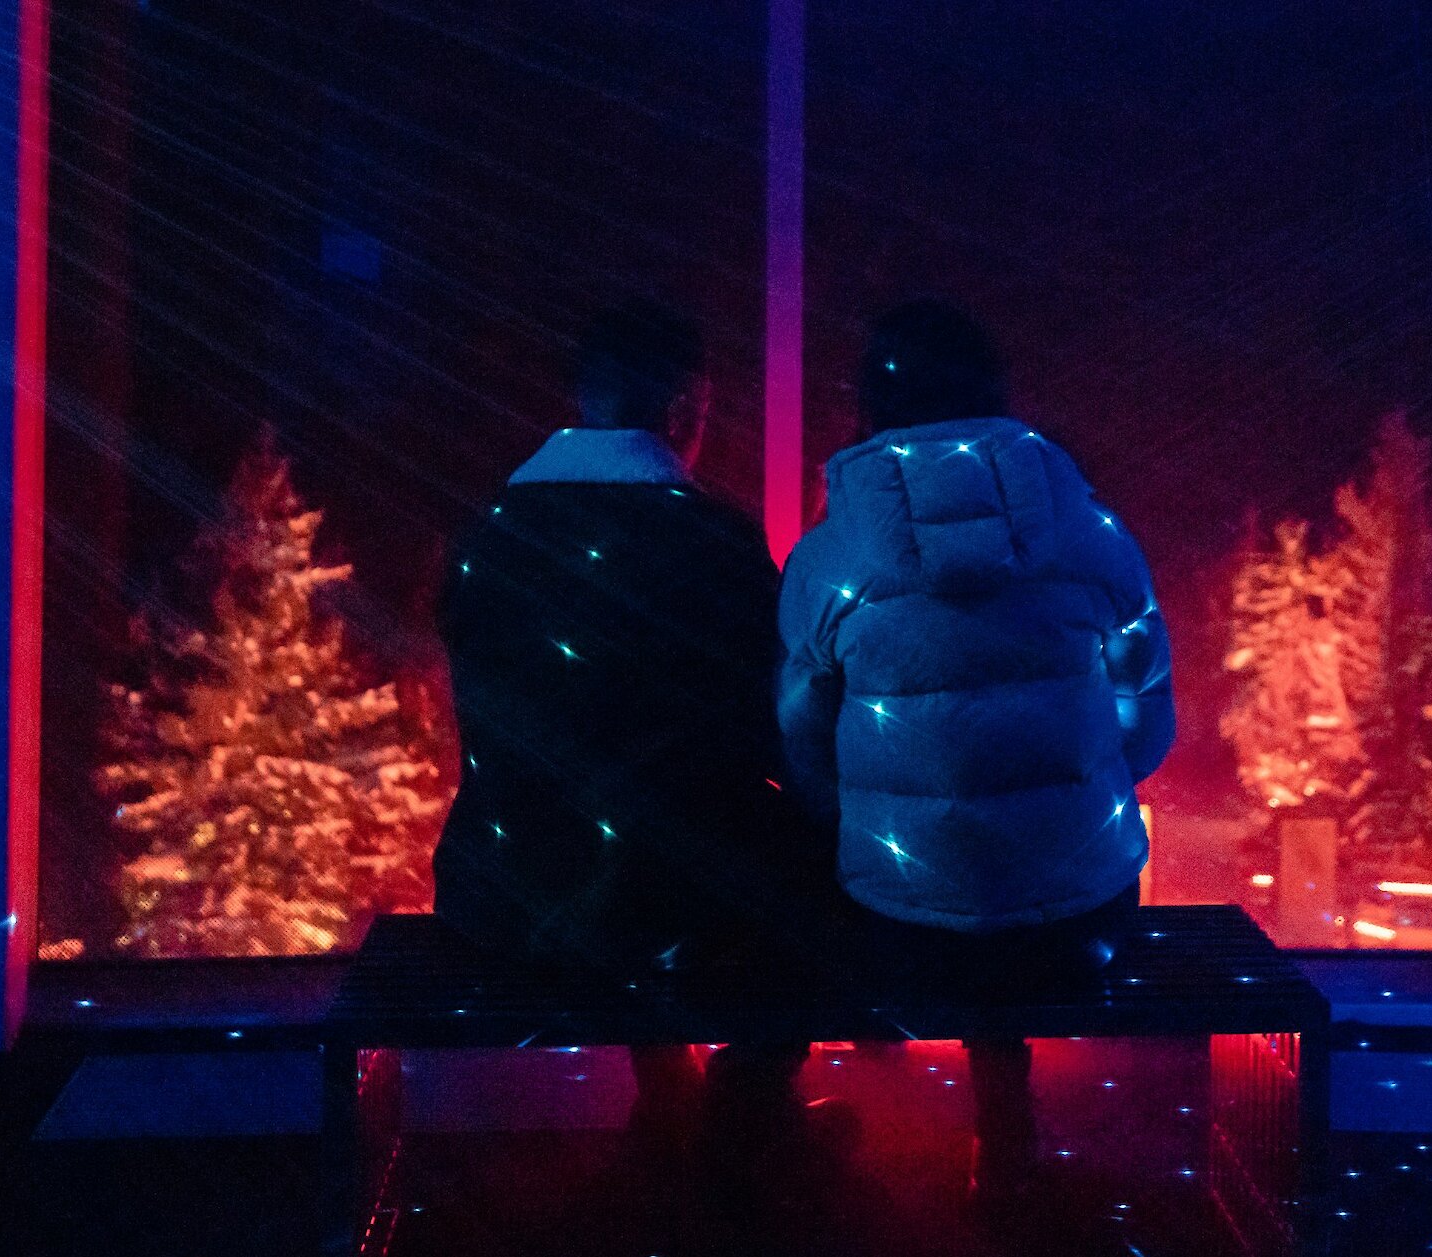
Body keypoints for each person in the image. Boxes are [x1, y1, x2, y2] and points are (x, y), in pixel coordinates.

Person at [776, 299, 1174, 1211]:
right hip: (1080, 932)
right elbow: (1148, 733)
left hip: (902, 938)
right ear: (999, 398)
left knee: (865, 871)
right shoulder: (1095, 540)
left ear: (869, 410)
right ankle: (1006, 1133)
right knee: (1032, 868)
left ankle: (758, 1132)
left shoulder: (828, 561)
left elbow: (802, 753)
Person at [434, 299, 837, 1168]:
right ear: (689, 409)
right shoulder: (715, 541)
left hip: (505, 895)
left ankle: (668, 1095)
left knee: (619, 825)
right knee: (797, 857)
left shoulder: (488, 539)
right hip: (676, 907)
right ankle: (750, 1102)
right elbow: (772, 737)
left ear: (584, 399)